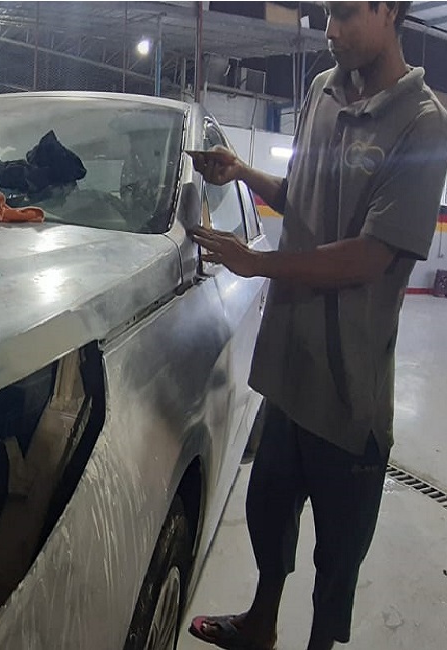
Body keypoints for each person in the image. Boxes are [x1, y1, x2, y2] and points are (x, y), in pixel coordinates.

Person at [186, 2, 447, 650]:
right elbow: (301, 193)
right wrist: (243, 171)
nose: (329, 30)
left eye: (346, 13)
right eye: (324, 13)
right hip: (289, 373)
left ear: (391, 11)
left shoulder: (421, 125)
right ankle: (261, 625)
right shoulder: (322, 90)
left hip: (347, 390)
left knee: (338, 557)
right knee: (268, 514)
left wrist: (257, 262)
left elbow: (370, 257)